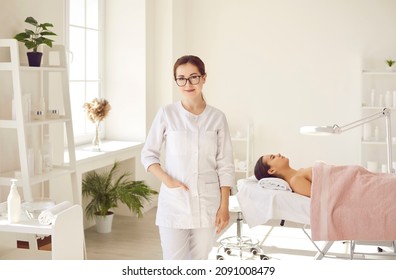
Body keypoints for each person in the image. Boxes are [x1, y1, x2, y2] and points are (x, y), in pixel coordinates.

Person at [141, 55, 235, 260]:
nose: (188, 84)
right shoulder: (167, 113)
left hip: (208, 203)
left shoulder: (217, 117)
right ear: (176, 81)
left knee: (199, 260)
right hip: (174, 203)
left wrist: (225, 206)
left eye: (193, 77)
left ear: (204, 78)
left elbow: (225, 164)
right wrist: (168, 180)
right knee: (174, 262)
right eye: (181, 78)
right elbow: (148, 154)